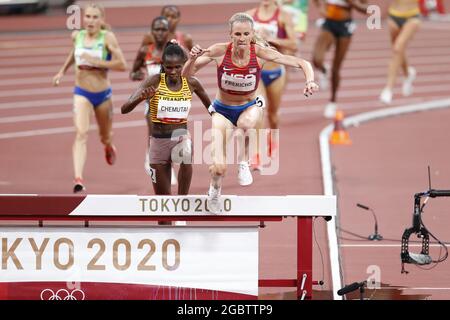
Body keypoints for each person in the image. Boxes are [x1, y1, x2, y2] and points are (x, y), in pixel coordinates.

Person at [182, 12, 318, 213]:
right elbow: (187, 75)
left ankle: (244, 161)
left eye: (246, 34)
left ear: (252, 34)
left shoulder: (260, 53)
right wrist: (192, 59)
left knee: (247, 123)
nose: (242, 38)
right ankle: (214, 190)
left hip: (248, 107)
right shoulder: (219, 51)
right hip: (222, 111)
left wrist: (310, 80)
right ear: (230, 35)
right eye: (237, 34)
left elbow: (301, 62)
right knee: (218, 168)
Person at [122, 41, 211, 222]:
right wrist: (141, 97)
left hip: (180, 137)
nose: (172, 71)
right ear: (162, 65)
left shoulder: (192, 83)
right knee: (163, 211)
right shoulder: (154, 81)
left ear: (184, 64)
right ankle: (169, 230)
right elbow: (125, 108)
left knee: (186, 152)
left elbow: (213, 109)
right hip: (158, 143)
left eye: (177, 67)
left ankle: (182, 207)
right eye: (168, 67)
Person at [52, 3, 127, 193]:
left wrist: (97, 61)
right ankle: (78, 178)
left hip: (102, 95)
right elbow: (73, 54)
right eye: (88, 17)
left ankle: (109, 146)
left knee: (105, 136)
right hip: (82, 92)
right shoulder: (77, 36)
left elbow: (122, 64)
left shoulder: (107, 38)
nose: (90, 21)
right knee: (81, 133)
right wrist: (62, 71)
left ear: (102, 20)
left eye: (95, 17)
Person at [246, 0, 298, 167]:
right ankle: (256, 154)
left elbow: (293, 44)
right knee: (259, 110)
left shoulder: (283, 15)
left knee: (273, 115)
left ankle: (273, 140)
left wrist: (273, 40)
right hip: (256, 71)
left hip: (275, 72)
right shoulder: (249, 16)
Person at [311, 0, 369, 118]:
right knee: (316, 59)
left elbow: (367, 9)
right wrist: (320, 7)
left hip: (345, 25)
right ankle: (323, 70)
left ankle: (332, 102)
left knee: (336, 68)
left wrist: (353, 3)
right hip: (329, 23)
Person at [379, 0, 421, 105]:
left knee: (397, 48)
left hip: (412, 16)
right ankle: (408, 73)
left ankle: (388, 89)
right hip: (393, 15)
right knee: (398, 51)